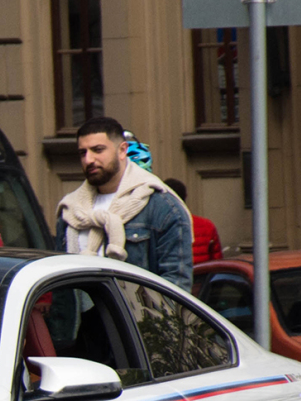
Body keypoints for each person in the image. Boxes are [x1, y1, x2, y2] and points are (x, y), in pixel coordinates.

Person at [57, 115, 193, 290]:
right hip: (80, 317)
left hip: (137, 316)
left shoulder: (162, 206)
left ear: (122, 150)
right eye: (83, 152)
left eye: (97, 150)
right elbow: (62, 293)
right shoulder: (71, 210)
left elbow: (176, 286)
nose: (88, 160)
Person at [164, 176, 223, 265]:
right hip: (203, 276)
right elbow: (217, 262)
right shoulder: (207, 225)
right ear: (185, 197)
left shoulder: (157, 226)